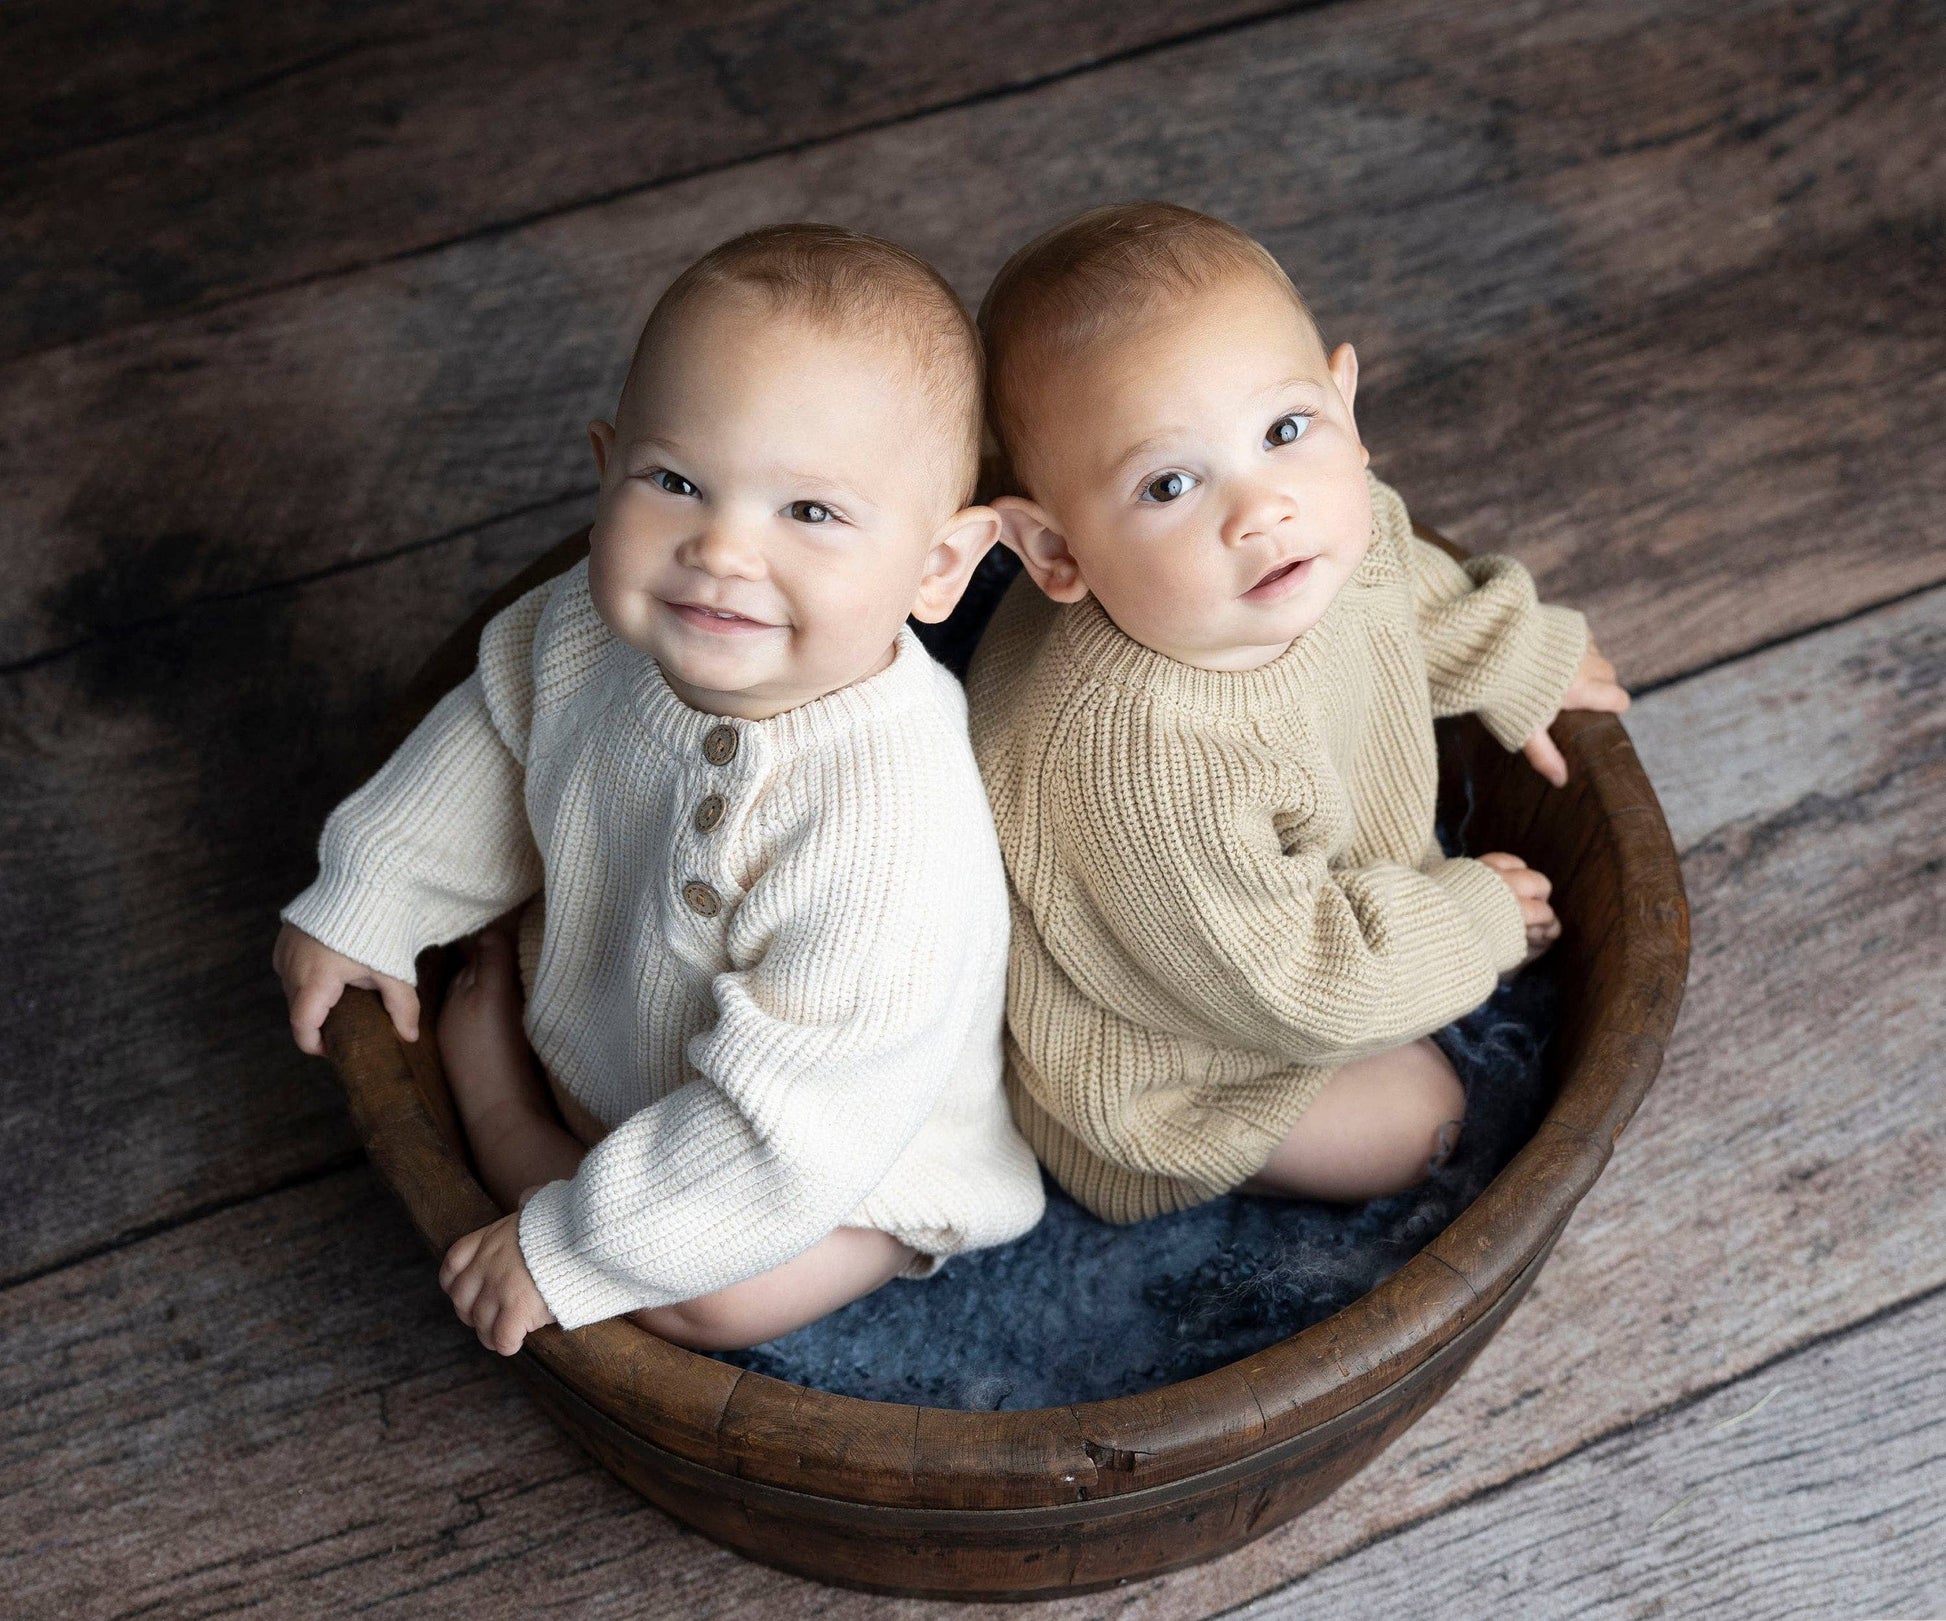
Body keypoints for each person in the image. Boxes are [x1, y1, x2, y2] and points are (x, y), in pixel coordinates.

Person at [274, 224, 1044, 1354]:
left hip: (834, 1147)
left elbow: (788, 1131)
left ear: (939, 566)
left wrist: (573, 1240)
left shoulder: (886, 827)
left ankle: (504, 1125)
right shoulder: (588, 629)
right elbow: (487, 741)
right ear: (605, 470)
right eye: (676, 481)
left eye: (810, 512)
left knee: (709, 1299)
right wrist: (371, 895)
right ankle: (567, 1145)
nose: (722, 549)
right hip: (612, 1027)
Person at [966, 202, 1629, 1224]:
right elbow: (1291, 980)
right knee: (1427, 1119)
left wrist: (1511, 653)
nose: (1260, 507)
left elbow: (1402, 583)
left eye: (1283, 428)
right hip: (1174, 1054)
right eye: (1169, 483)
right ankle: (1188, 1160)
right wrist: (1467, 921)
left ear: (1343, 409)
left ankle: (1398, 949)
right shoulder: (1139, 761)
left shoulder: (1312, 529)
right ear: (1052, 552)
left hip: (1272, 928)